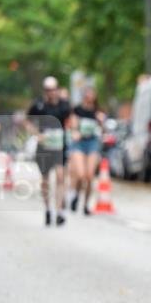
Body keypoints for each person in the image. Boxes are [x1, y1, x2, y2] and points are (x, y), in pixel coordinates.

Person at [26, 76, 71, 226]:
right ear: (45, 90)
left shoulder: (64, 105)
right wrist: (37, 135)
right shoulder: (39, 105)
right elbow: (27, 121)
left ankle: (59, 211)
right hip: (44, 147)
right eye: (48, 90)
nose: (51, 92)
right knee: (45, 180)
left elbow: (72, 120)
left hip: (59, 147)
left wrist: (73, 131)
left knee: (60, 177)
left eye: (53, 89)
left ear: (57, 89)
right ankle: (47, 209)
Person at [68, 86, 105, 215]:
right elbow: (73, 126)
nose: (89, 96)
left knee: (89, 176)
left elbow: (102, 130)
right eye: (87, 94)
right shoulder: (77, 109)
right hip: (79, 143)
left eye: (92, 94)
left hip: (92, 143)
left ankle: (85, 205)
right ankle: (76, 195)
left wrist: (101, 122)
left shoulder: (98, 111)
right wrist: (75, 132)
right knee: (81, 174)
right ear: (84, 95)